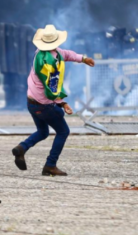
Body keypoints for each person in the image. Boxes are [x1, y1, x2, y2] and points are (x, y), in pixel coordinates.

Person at [11, 25, 95, 176]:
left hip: (31, 102)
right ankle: (50, 165)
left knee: (43, 132)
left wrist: (82, 58)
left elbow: (66, 54)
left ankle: (22, 148)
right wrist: (63, 103)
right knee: (63, 131)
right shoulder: (48, 64)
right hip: (44, 104)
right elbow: (52, 88)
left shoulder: (42, 53)